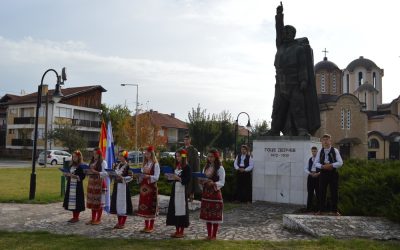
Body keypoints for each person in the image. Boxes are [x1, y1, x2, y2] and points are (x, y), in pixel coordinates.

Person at [267, 2, 320, 136]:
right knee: (278, 109)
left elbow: (303, 67)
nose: (284, 34)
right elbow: (278, 31)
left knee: (298, 108)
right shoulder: (281, 46)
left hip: (294, 83)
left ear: (292, 34)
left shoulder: (299, 49)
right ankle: (274, 129)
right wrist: (279, 16)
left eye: (287, 32)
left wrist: (303, 81)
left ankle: (302, 129)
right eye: (284, 32)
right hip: (280, 83)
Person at [199, 149, 225, 240]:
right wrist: (201, 181)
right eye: (208, 156)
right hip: (206, 194)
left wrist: (213, 183)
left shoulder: (220, 168)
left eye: (211, 156)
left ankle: (214, 235)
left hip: (215, 194)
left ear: (216, 157)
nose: (209, 158)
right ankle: (209, 235)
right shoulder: (206, 167)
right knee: (207, 215)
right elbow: (203, 177)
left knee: (215, 215)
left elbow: (222, 182)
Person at [315, 134, 343, 215]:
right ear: (322, 141)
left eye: (327, 139)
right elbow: (315, 163)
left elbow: (340, 163)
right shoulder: (320, 151)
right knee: (322, 192)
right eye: (324, 140)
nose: (326, 141)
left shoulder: (335, 150)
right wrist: (323, 166)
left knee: (334, 192)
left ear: (330, 141)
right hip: (323, 173)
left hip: (333, 173)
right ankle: (321, 210)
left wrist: (331, 165)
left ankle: (335, 211)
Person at [166, 149, 192, 238]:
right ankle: (177, 230)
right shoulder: (176, 166)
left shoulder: (187, 167)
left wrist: (179, 178)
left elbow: (187, 179)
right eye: (176, 156)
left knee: (181, 209)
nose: (177, 158)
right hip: (175, 190)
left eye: (179, 156)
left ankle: (181, 231)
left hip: (182, 191)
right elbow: (173, 178)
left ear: (183, 156)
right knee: (175, 209)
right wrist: (169, 177)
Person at [136, 145, 160, 233]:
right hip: (143, 188)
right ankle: (146, 226)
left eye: (147, 153)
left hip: (151, 187)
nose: (146, 154)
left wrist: (148, 176)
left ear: (151, 153)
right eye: (145, 153)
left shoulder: (156, 164)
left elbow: (156, 177)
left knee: (151, 206)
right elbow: (141, 176)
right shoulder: (145, 164)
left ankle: (151, 226)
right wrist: (139, 177)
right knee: (144, 206)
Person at [110, 150, 133, 229]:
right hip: (117, 186)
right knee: (117, 204)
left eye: (121, 156)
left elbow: (130, 177)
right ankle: (119, 221)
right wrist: (111, 174)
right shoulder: (117, 165)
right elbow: (114, 174)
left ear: (124, 156)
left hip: (123, 187)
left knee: (123, 204)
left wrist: (123, 178)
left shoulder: (128, 166)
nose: (119, 157)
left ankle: (122, 222)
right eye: (119, 155)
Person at [62, 150, 87, 223]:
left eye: (75, 157)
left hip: (77, 186)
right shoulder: (71, 165)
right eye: (73, 157)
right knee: (71, 201)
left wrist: (73, 176)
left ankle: (76, 217)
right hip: (71, 184)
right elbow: (69, 173)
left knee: (77, 201)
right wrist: (66, 175)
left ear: (79, 157)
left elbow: (82, 177)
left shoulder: (82, 166)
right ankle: (74, 216)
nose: (74, 158)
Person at [86, 147, 108, 225]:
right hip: (92, 184)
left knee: (99, 202)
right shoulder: (92, 162)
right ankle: (93, 219)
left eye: (96, 154)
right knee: (93, 201)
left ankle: (98, 219)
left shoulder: (103, 162)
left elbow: (105, 173)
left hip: (100, 184)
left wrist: (96, 172)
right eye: (93, 154)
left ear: (99, 154)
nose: (94, 155)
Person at [182, 135, 200, 201]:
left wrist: (196, 170)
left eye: (187, 139)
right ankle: (185, 196)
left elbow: (196, 161)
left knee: (191, 182)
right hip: (184, 168)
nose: (186, 141)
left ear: (190, 140)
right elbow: (182, 159)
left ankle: (191, 195)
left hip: (192, 168)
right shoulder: (183, 149)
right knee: (185, 182)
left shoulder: (194, 150)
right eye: (185, 139)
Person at [304, 146, 320, 212]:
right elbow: (305, 168)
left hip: (318, 177)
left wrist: (318, 173)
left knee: (318, 193)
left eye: (315, 151)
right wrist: (310, 173)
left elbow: (322, 169)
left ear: (317, 151)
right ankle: (309, 208)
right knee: (310, 193)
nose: (313, 152)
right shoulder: (310, 159)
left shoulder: (320, 160)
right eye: (312, 151)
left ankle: (318, 209)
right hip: (310, 177)